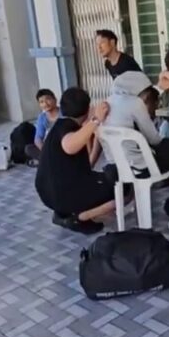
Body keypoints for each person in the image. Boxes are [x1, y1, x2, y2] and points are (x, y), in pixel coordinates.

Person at [36, 87, 116, 234]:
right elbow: (69, 145)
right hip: (61, 194)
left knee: (104, 179)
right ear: (87, 110)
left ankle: (64, 212)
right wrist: (96, 120)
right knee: (122, 191)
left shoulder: (59, 125)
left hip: (48, 192)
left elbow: (88, 160)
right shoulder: (67, 129)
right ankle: (78, 218)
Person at [103, 70, 169, 176]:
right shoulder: (135, 103)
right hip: (141, 168)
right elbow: (154, 140)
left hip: (115, 166)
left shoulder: (107, 102)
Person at [31, 88, 60, 161]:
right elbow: (38, 138)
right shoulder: (42, 117)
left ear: (55, 99)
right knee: (29, 148)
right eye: (41, 102)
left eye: (48, 99)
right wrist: (46, 150)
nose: (45, 104)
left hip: (65, 144)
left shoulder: (64, 112)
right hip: (50, 147)